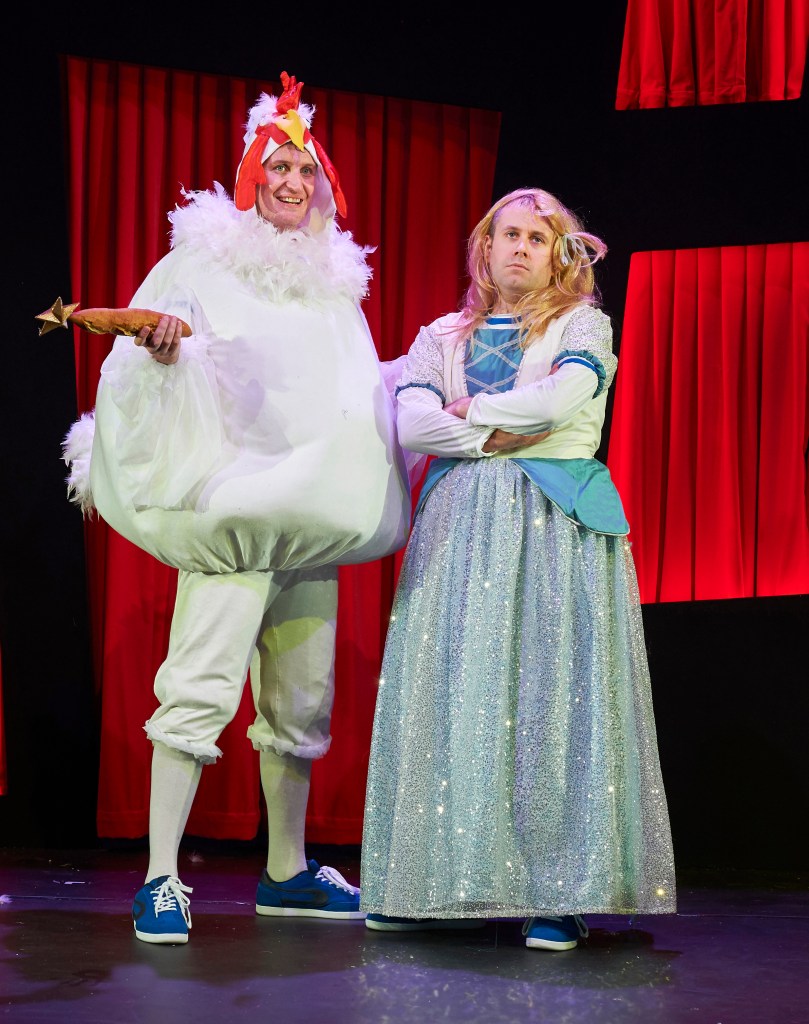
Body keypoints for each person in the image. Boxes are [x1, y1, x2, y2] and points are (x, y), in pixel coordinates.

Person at [63, 72, 412, 944]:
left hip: (313, 520)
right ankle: (160, 878)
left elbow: (344, 389)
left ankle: (286, 872)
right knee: (197, 690)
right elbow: (153, 354)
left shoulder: (332, 281)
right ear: (253, 174)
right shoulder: (203, 262)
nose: (293, 181)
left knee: (301, 705)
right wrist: (164, 352)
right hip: (237, 515)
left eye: (306, 168)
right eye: (278, 166)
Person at [359, 187, 676, 950]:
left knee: (550, 698)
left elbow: (564, 398)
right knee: (453, 697)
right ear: (485, 246)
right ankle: (428, 885)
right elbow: (412, 423)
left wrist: (469, 413)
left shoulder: (581, 324)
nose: (520, 248)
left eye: (537, 237)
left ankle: (558, 892)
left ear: (557, 254)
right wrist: (489, 436)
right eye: (509, 234)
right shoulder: (439, 335)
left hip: (552, 522)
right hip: (459, 527)